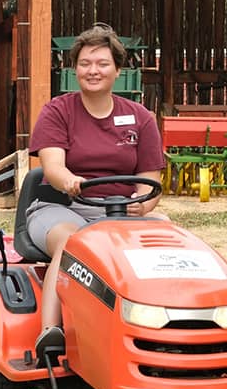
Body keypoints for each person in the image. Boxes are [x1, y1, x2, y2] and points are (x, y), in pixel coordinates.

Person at [27, 23, 164, 354]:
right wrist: (70, 181)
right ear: (75, 69)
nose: (93, 71)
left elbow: (152, 179)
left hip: (120, 212)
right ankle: (51, 331)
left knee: (169, 240)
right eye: (85, 63)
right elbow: (53, 167)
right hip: (62, 207)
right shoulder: (58, 111)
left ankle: (166, 324)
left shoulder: (140, 118)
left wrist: (143, 206)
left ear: (118, 69)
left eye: (102, 63)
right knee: (74, 243)